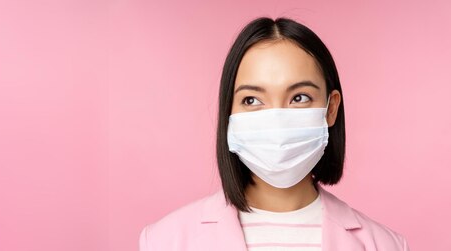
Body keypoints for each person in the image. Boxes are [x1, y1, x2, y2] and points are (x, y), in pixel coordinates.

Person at [138, 17, 410, 251]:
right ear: (228, 114)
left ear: (331, 108)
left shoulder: (385, 245)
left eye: (300, 97)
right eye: (252, 100)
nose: (277, 120)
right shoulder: (165, 240)